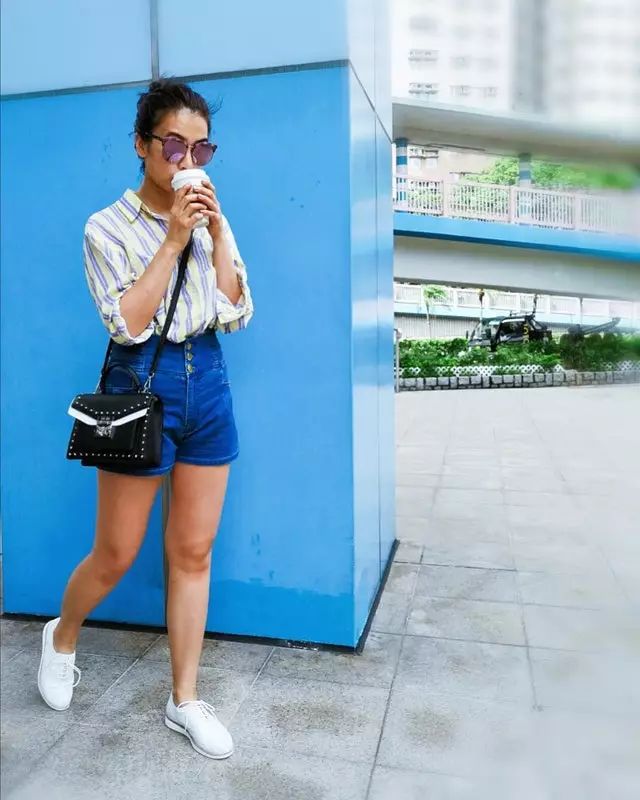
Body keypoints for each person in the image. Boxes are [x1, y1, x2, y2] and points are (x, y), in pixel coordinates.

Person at [36, 78, 253, 760]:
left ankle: (184, 699)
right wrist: (173, 239)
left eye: (200, 148)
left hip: (208, 380)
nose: (187, 160)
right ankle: (61, 635)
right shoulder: (105, 228)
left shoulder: (212, 218)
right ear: (142, 145)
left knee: (193, 552)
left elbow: (236, 310)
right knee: (117, 554)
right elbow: (126, 323)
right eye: (173, 145)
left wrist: (216, 230)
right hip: (141, 382)